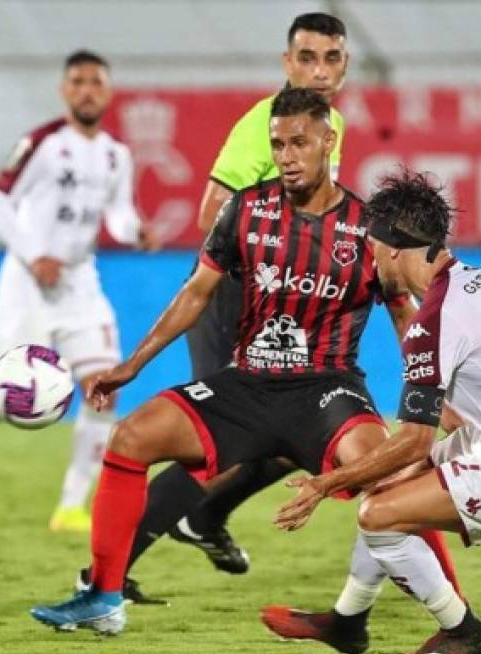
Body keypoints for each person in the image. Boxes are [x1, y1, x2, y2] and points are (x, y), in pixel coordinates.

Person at [30, 87, 437, 637]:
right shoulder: (245, 209)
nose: (288, 155)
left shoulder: (366, 227)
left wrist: (435, 386)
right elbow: (196, 293)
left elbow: (402, 313)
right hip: (247, 386)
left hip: (326, 390)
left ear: (328, 142)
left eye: (299, 142)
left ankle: (457, 619)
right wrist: (134, 363)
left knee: (394, 477)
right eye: (278, 144)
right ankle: (103, 595)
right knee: (130, 437)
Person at [264, 170, 481, 654]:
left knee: (377, 515)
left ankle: (464, 630)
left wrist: (326, 483)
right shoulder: (470, 281)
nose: (371, 265)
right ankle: (347, 621)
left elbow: (416, 439)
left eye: (374, 252)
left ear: (396, 250)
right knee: (389, 479)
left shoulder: (435, 318)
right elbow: (459, 406)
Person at [122, 12, 351, 589]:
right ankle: (106, 572)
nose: (319, 70)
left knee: (289, 441)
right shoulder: (263, 125)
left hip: (276, 313)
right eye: (307, 57)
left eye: (331, 58)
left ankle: (202, 517)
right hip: (234, 302)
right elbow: (209, 219)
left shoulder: (331, 124)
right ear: (286, 63)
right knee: (223, 443)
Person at [0, 50, 158, 535]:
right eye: (78, 81)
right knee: (18, 404)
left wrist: (136, 233)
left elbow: (118, 215)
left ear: (107, 92)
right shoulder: (42, 144)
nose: (87, 89)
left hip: (81, 285)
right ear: (64, 91)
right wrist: (33, 253)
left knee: (103, 392)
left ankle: (70, 507)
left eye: (95, 82)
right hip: (26, 284)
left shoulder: (116, 155)